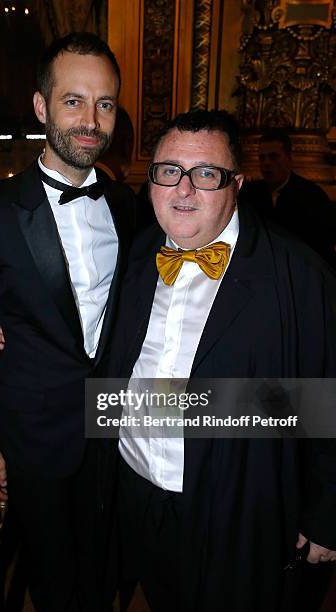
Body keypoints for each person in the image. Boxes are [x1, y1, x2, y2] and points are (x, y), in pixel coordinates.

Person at [106, 110, 336, 612]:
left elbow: (328, 401)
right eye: (169, 170)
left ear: (236, 184)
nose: (183, 191)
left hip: (237, 507)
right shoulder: (136, 256)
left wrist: (326, 515)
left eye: (205, 174)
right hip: (138, 491)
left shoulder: (300, 277)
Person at [0, 32, 136, 612]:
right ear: (40, 106)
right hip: (32, 437)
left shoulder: (128, 208)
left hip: (113, 431)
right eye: (73, 101)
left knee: (106, 570)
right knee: (51, 577)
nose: (91, 121)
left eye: (104, 103)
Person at [240, 127, 336, 268]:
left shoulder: (311, 196)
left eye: (273, 157)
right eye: (262, 158)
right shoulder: (250, 195)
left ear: (288, 158)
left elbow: (322, 247)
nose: (266, 163)